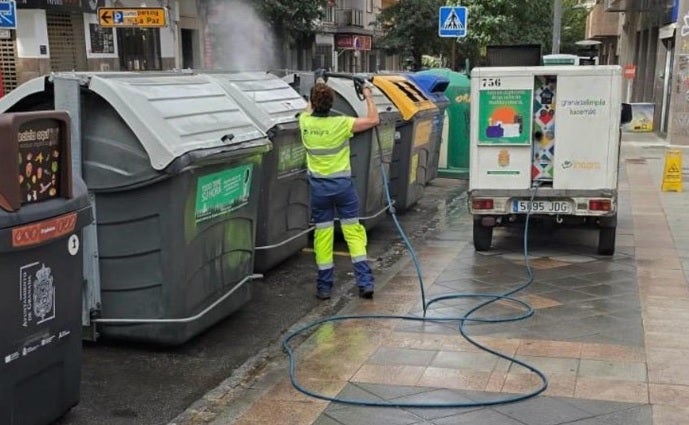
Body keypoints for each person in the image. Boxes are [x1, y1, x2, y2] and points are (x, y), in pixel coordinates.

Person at [299, 79, 380, 300]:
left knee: (323, 237)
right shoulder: (342, 124)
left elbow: (308, 109)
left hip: (319, 191)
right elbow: (374, 120)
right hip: (343, 189)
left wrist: (317, 83)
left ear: (314, 103)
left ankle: (324, 287)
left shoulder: (305, 123)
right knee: (353, 233)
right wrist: (367, 93)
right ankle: (365, 283)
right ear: (331, 103)